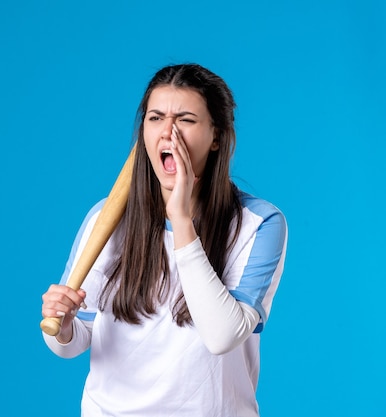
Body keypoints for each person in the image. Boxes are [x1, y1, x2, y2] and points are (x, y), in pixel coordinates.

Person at [40, 63, 288, 416]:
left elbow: (222, 336)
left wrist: (181, 220)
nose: (168, 133)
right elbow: (76, 338)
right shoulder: (106, 219)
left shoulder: (259, 224)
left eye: (185, 119)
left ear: (216, 136)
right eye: (156, 118)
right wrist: (62, 327)